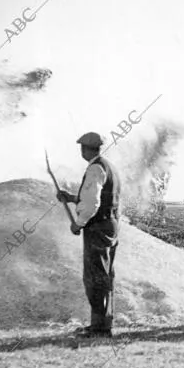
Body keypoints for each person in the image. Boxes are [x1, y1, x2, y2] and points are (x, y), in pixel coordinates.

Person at [56, 132, 121, 338]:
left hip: (98, 228)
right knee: (105, 274)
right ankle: (101, 324)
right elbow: (96, 198)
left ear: (85, 149)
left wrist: (79, 223)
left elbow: (93, 202)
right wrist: (72, 198)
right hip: (110, 225)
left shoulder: (94, 168)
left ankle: (100, 328)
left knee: (95, 276)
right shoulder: (109, 167)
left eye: (81, 147)